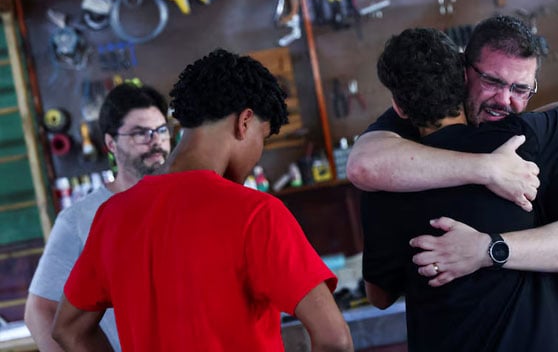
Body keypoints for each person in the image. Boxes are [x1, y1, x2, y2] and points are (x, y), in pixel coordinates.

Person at [51, 49, 353, 352]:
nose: (257, 152)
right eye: (263, 138)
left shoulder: (112, 216)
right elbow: (334, 340)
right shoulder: (256, 214)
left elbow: (69, 329)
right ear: (244, 122)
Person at [350, 17, 558, 351]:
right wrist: (487, 168)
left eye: (520, 89)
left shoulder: (546, 139)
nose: (504, 100)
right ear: (463, 71)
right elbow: (362, 164)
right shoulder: (392, 167)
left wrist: (488, 249)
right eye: (491, 81)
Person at [25, 83, 171, 352]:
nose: (156, 141)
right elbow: (39, 311)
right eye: (141, 133)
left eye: (161, 130)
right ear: (110, 143)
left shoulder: (183, 200)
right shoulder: (79, 219)